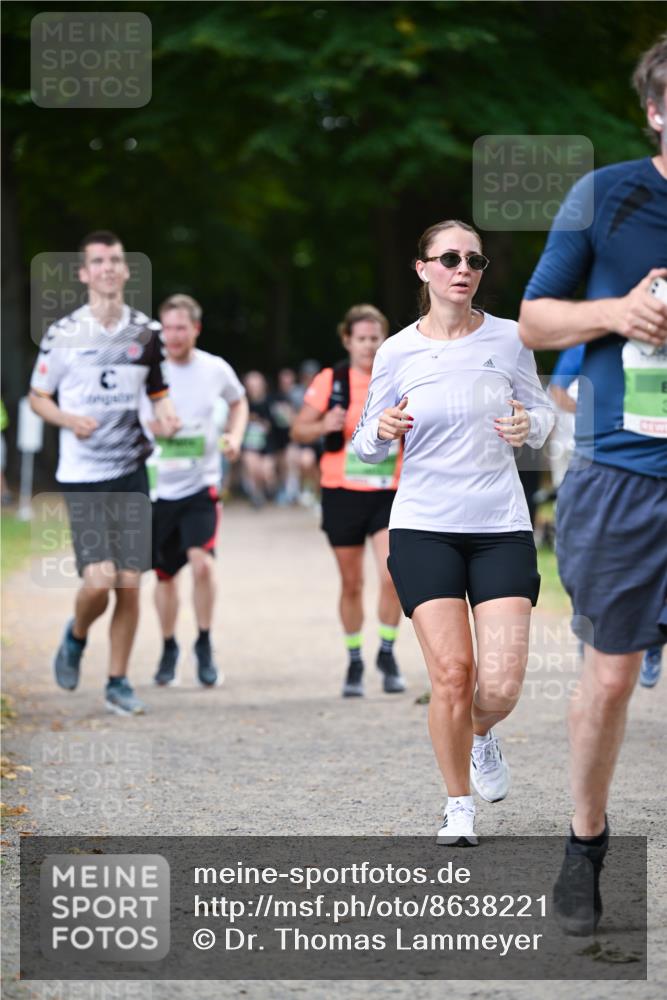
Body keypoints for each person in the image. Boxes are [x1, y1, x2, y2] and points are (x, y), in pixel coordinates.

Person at [519, 33, 667, 934]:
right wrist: (616, 313)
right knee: (608, 679)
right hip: (623, 473)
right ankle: (584, 843)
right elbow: (534, 319)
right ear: (655, 110)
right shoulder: (605, 195)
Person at [353, 221, 554, 845]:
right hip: (423, 528)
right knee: (453, 675)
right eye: (449, 258)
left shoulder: (510, 338)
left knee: (499, 684)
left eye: (474, 259)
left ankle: (482, 736)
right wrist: (381, 431)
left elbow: (542, 412)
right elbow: (362, 444)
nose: (463, 268)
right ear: (424, 270)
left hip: (499, 525)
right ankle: (457, 804)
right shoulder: (396, 352)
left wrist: (531, 429)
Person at [29, 230, 180, 715]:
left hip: (132, 472)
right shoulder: (62, 334)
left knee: (130, 583)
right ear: (84, 273)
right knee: (100, 580)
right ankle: (75, 638)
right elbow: (38, 397)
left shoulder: (145, 332)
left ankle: (117, 680)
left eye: (115, 260)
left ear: (126, 269)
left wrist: (168, 413)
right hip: (82, 476)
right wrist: (68, 419)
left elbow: (157, 390)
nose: (108, 268)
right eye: (98, 261)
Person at [292, 304, 406, 697]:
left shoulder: (400, 377)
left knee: (393, 575)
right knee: (352, 582)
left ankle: (387, 652)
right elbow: (299, 429)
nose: (369, 346)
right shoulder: (331, 380)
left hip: (390, 491)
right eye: (362, 339)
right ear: (348, 341)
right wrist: (322, 424)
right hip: (341, 492)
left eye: (375, 338)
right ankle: (355, 659)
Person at [143, 294, 248, 687]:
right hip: (159, 487)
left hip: (200, 484)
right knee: (165, 575)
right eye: (166, 328)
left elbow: (239, 403)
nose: (172, 335)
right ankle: (169, 646)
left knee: (202, 562)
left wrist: (234, 436)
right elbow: (133, 421)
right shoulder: (149, 371)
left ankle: (204, 642)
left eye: (180, 328)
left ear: (195, 330)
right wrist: (158, 429)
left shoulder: (214, 369)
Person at [240, 371, 278, 508]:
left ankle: (270, 490)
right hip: (250, 443)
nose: (254, 387)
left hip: (267, 445)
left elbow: (278, 424)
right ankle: (256, 495)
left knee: (266, 472)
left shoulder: (271, 402)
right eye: (251, 384)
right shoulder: (242, 403)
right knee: (252, 467)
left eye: (257, 384)